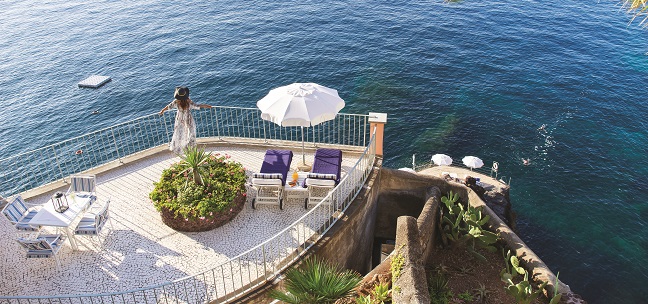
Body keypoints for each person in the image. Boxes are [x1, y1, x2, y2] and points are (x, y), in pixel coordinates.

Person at [159, 86, 212, 154]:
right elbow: (197, 106)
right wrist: (207, 106)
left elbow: (168, 106)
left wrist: (162, 111)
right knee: (190, 133)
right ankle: (190, 147)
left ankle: (179, 148)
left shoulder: (176, 102)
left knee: (179, 133)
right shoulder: (189, 102)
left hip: (180, 119)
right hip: (188, 119)